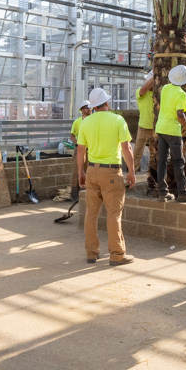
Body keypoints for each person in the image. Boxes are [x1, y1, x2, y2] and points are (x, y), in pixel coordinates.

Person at [77, 87, 136, 266]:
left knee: (91, 214)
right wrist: (132, 171)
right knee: (113, 214)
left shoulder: (85, 122)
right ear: (107, 103)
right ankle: (117, 255)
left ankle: (91, 253)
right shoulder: (118, 119)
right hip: (111, 172)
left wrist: (81, 171)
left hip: (92, 172)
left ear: (93, 106)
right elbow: (127, 148)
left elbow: (81, 150)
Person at [151, 64, 186, 203]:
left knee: (162, 161)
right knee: (178, 161)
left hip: (161, 128)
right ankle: (183, 192)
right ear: (185, 81)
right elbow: (180, 115)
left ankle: (163, 193)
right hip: (173, 130)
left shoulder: (165, 88)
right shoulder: (181, 94)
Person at [133, 72, 156, 183]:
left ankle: (152, 177)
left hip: (156, 129)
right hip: (143, 128)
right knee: (137, 152)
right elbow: (144, 89)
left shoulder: (158, 94)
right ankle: (132, 175)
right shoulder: (140, 92)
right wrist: (155, 76)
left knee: (154, 153)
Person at [69, 100, 92, 204]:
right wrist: (78, 144)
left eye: (90, 107)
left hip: (90, 149)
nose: (89, 109)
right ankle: (74, 194)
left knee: (88, 171)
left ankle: (86, 193)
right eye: (87, 107)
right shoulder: (77, 122)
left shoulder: (93, 121)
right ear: (82, 110)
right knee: (76, 171)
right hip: (79, 149)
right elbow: (72, 135)